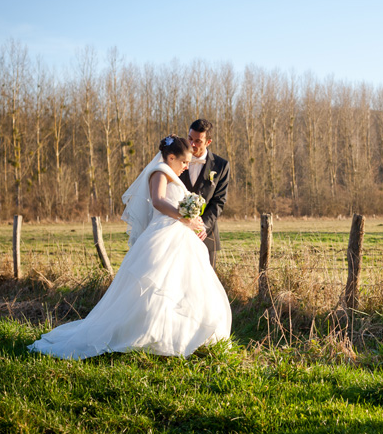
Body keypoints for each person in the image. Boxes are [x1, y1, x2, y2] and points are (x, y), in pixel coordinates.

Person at [28, 135, 232, 360]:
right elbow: (158, 201)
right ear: (171, 157)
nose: (186, 166)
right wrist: (185, 217)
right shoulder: (160, 171)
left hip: (178, 236)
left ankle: (176, 334)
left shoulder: (170, 172)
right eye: (184, 162)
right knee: (155, 286)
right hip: (163, 236)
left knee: (178, 286)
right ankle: (143, 333)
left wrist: (192, 220)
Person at [179, 119, 229, 269]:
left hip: (205, 236)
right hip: (177, 233)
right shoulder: (176, 159)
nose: (192, 144)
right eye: (190, 138)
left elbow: (219, 202)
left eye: (198, 141)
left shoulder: (221, 165)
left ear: (208, 142)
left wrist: (201, 227)